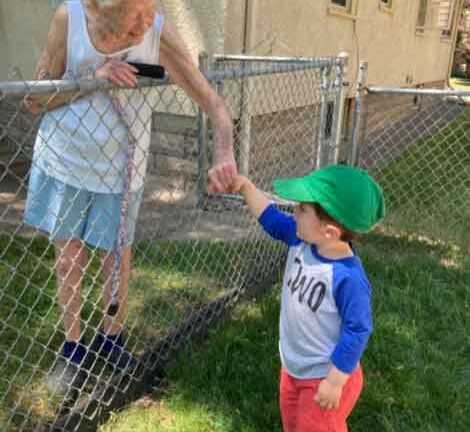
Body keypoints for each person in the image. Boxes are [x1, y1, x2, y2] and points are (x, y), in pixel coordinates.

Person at [23, 0, 237, 396]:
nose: (146, 21)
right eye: (135, 11)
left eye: (150, 7)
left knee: (117, 255)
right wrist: (93, 79)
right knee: (70, 258)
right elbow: (34, 99)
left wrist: (225, 152)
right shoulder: (69, 18)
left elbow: (212, 101)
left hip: (122, 169)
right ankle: (73, 349)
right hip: (66, 159)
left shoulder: (156, 28)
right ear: (100, 5)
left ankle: (112, 338)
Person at [229, 165, 385, 432]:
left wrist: (335, 381)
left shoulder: (347, 277)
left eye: (302, 209)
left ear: (329, 232)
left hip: (324, 375)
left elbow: (357, 329)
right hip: (294, 367)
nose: (294, 212)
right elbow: (270, 218)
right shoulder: (301, 239)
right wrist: (245, 186)